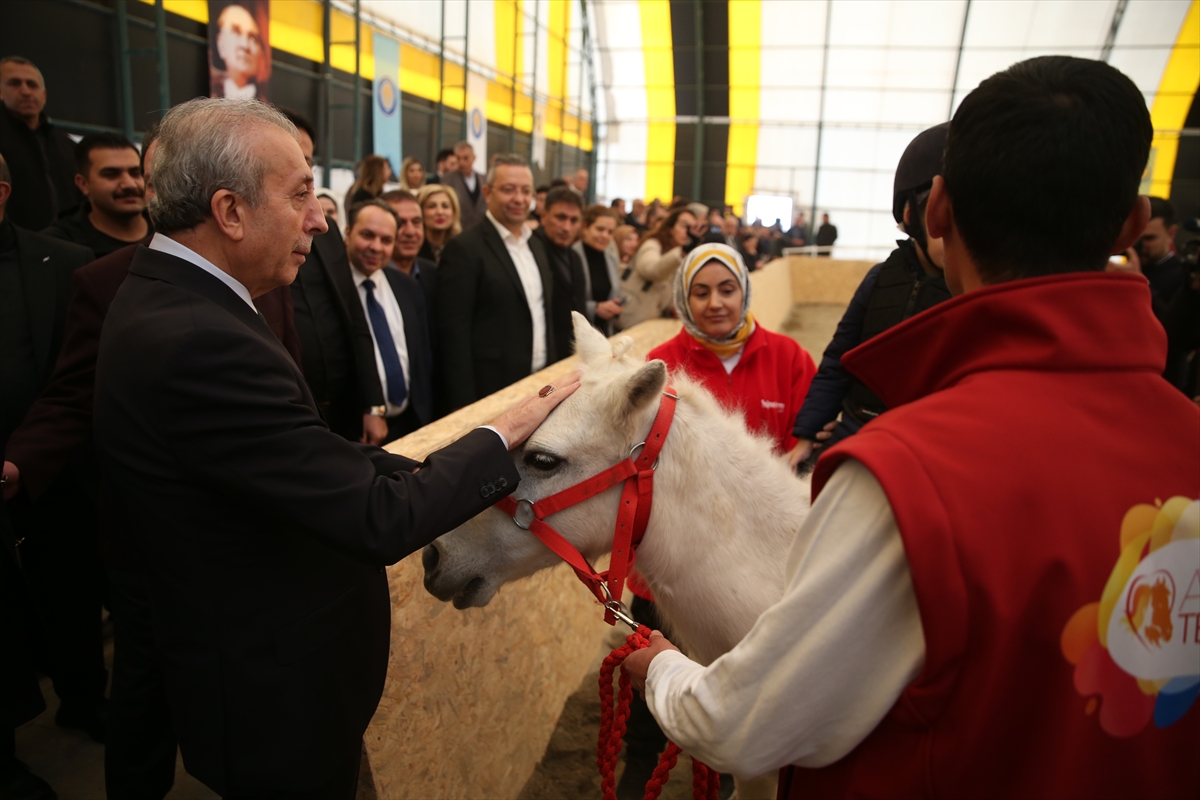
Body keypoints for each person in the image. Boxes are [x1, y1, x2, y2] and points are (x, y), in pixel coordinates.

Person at [623, 56, 1199, 799]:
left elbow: (745, 724)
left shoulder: (900, 477)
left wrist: (663, 666)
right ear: (1132, 223)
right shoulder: (1186, 442)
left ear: (937, 215)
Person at [92, 97, 579, 799]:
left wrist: (437, 465)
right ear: (229, 212)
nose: (320, 218)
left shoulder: (177, 298)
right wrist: (499, 437)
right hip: (273, 693)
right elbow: (376, 519)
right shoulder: (201, 337)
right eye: (298, 196)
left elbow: (298, 454)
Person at [5, 125, 302, 799]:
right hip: (152, 543)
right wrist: (20, 462)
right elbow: (73, 394)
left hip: (250, 533)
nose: (129, 184)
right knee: (146, 696)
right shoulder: (105, 282)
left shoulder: (271, 270)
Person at [0, 151, 104, 751]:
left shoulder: (63, 263)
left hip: (55, 472)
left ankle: (83, 699)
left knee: (70, 595)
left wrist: (27, 456)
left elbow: (77, 380)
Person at [790, 123, 952, 467]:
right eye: (939, 213)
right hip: (856, 424)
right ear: (910, 216)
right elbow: (838, 359)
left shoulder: (966, 293)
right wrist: (807, 435)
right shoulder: (879, 279)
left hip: (920, 447)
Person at [437, 153, 555, 410]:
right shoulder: (464, 248)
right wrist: (464, 407)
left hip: (540, 383)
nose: (519, 199)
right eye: (509, 190)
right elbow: (453, 335)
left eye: (526, 191)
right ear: (488, 192)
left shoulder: (536, 245)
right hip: (490, 391)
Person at [343, 200, 434, 442]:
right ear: (348, 233)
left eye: (386, 240)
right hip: (357, 434)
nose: (376, 247)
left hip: (411, 425)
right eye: (367, 235)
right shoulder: (333, 291)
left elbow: (421, 357)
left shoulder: (408, 287)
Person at [0, 55, 82, 230]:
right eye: (15, 83)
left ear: (44, 95)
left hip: (68, 244)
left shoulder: (67, 145)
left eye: (32, 85)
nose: (26, 91)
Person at [42, 133, 152, 257]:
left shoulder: (169, 229)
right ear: (83, 184)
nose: (129, 184)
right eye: (111, 174)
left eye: (135, 173)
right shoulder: (56, 246)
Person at [533, 186, 589, 362]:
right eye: (560, 218)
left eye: (574, 220)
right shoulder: (529, 250)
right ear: (543, 216)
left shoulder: (575, 257)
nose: (566, 227)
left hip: (569, 353)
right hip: (539, 354)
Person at [617, 207, 695, 329]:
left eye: (693, 228)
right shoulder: (653, 244)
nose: (688, 232)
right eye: (685, 226)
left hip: (652, 321)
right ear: (670, 227)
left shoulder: (681, 254)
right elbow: (651, 270)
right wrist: (681, 253)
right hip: (633, 317)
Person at [572, 205, 624, 336]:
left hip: (605, 332)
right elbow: (566, 301)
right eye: (600, 229)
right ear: (585, 228)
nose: (605, 236)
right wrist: (595, 308)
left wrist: (615, 305)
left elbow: (613, 291)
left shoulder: (611, 258)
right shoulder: (572, 256)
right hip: (576, 333)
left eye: (610, 232)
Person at [209, 3, 267, 100]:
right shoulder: (208, 101)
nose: (245, 45)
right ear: (221, 44)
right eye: (236, 32)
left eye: (253, 38)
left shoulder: (268, 109)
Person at [443, 140, 487, 230]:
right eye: (458, 158)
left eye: (466, 158)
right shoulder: (448, 180)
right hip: (459, 230)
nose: (462, 162)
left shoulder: (485, 179)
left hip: (483, 230)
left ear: (473, 158)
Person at [414, 183, 460, 266]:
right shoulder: (413, 249)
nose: (440, 212)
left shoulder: (462, 248)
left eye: (445, 206)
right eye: (432, 206)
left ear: (454, 212)